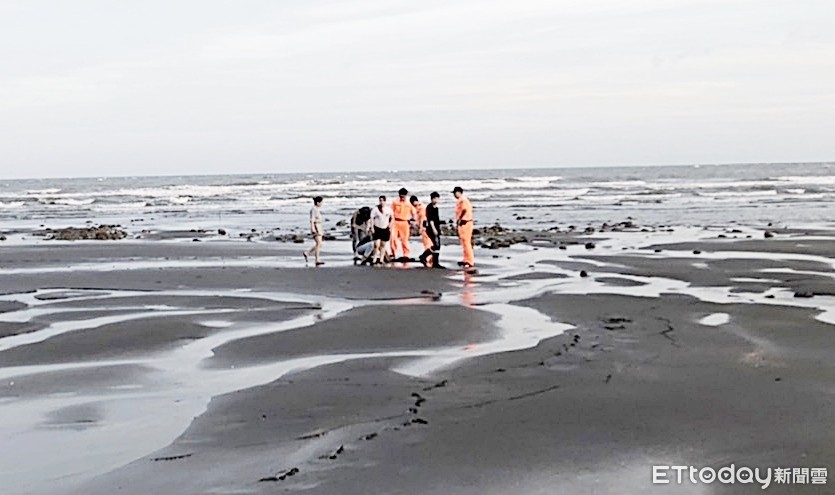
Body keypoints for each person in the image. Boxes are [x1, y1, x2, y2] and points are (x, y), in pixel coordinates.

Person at [418, 192, 445, 268]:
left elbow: (437, 220)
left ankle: (427, 257)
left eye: (437, 199)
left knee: (437, 246)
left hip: (436, 227)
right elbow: (431, 220)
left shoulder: (436, 208)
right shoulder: (429, 207)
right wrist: (434, 229)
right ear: (432, 199)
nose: (436, 200)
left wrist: (439, 229)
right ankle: (431, 260)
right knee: (436, 245)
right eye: (434, 198)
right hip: (431, 228)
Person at [390, 187, 416, 259]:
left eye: (403, 197)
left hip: (404, 222)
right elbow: (390, 212)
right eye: (401, 197)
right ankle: (393, 253)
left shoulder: (408, 203)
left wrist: (413, 221)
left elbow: (413, 213)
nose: (402, 198)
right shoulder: (395, 202)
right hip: (395, 221)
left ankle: (406, 254)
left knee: (404, 239)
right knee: (393, 238)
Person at [452, 186, 474, 267]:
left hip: (465, 222)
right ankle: (466, 259)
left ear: (458, 192)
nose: (454, 195)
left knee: (466, 242)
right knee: (464, 242)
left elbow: (464, 209)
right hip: (464, 222)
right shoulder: (462, 200)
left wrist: (460, 218)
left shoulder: (463, 200)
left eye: (454, 193)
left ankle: (469, 261)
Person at [370, 195, 393, 265]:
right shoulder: (375, 209)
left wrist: (390, 225)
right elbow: (372, 218)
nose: (382, 202)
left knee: (383, 244)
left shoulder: (388, 209)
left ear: (385, 201)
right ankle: (374, 258)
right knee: (376, 244)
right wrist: (372, 227)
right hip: (377, 228)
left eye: (383, 200)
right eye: (380, 200)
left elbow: (392, 218)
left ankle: (381, 259)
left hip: (385, 228)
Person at [303, 196, 325, 266]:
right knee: (318, 243)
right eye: (321, 202)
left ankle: (308, 252)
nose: (322, 204)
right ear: (318, 202)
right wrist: (313, 228)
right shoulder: (314, 209)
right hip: (316, 226)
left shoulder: (317, 209)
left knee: (319, 244)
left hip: (319, 226)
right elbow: (312, 219)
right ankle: (317, 259)